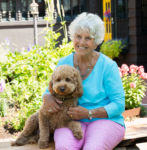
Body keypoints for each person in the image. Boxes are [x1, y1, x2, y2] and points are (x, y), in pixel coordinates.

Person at [42, 12, 125, 150]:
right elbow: (49, 90)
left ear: (96, 41)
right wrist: (47, 97)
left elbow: (119, 104)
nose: (81, 42)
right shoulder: (64, 62)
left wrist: (89, 113)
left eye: (88, 38)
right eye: (78, 36)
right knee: (63, 147)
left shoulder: (108, 66)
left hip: (105, 120)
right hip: (70, 121)